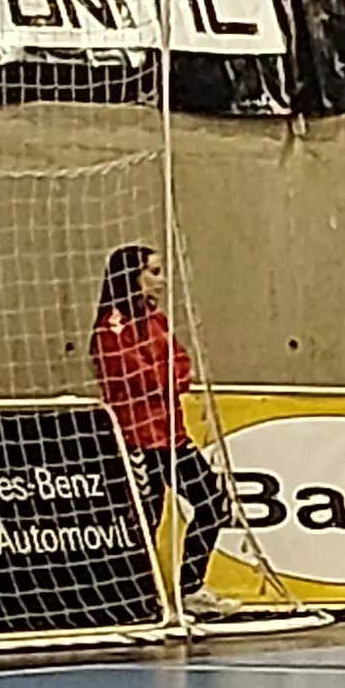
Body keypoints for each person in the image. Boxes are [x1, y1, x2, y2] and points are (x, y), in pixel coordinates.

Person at [91, 242, 228, 610]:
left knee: (213, 503)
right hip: (138, 440)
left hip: (173, 436)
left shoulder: (156, 321)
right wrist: (167, 377)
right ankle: (136, 598)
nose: (162, 281)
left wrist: (171, 377)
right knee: (146, 519)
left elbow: (180, 364)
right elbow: (137, 377)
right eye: (153, 272)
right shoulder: (112, 328)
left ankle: (190, 588)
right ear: (131, 277)